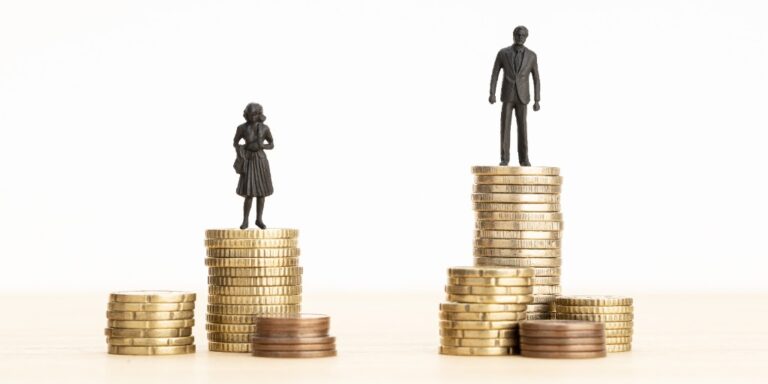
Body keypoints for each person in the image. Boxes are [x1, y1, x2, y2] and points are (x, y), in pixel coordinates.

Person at [489, 25, 541, 166]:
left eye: (523, 35)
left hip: (523, 97)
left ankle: (524, 159)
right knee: (505, 127)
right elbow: (495, 73)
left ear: (526, 37)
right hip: (507, 95)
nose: (520, 38)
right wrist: (492, 93)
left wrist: (537, 100)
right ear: (513, 35)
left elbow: (536, 78)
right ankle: (504, 158)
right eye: (518, 35)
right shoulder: (503, 53)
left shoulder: (532, 56)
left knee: (522, 128)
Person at [233, 103, 274, 229]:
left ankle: (259, 219)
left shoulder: (265, 128)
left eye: (254, 115)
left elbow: (272, 144)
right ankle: (245, 220)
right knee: (249, 193)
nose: (251, 117)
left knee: (261, 193)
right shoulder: (242, 128)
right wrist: (244, 148)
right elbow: (235, 143)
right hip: (248, 160)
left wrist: (263, 146)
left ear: (258, 115)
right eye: (249, 114)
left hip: (261, 160)